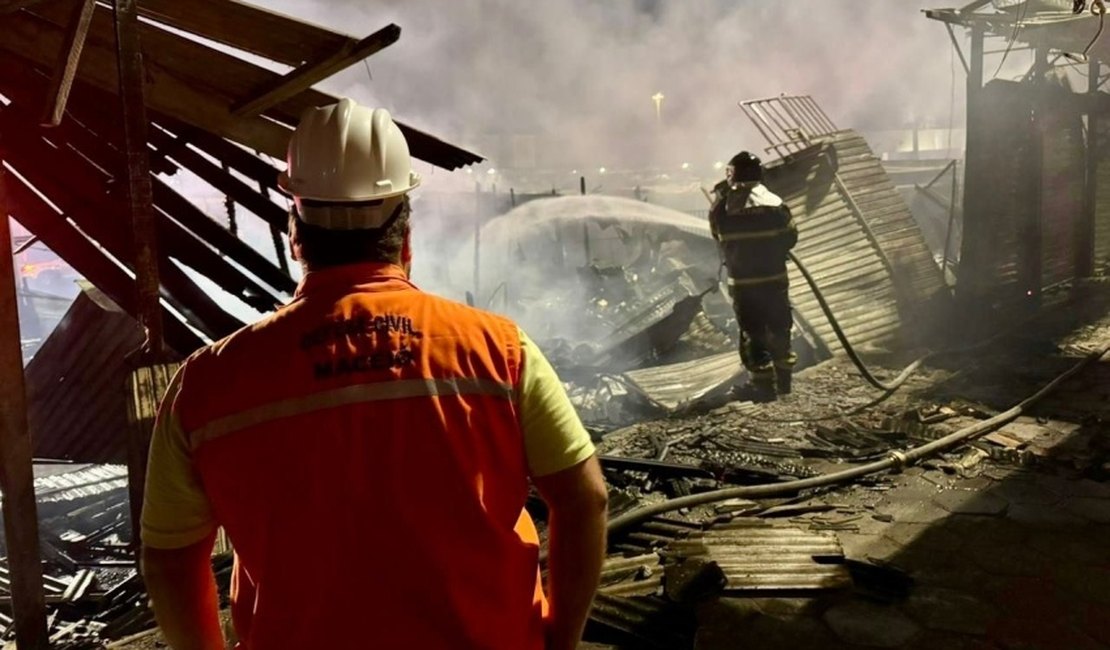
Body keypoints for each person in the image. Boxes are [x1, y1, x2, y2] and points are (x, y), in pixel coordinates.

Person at [140, 98, 608, 650]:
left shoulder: (206, 385)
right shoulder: (500, 351)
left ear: (296, 237)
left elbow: (168, 557)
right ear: (405, 236)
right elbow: (587, 499)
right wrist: (559, 640)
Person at [709, 151, 798, 402]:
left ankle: (762, 386)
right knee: (780, 327)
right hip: (775, 280)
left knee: (753, 333)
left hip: (744, 284)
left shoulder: (722, 211)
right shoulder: (776, 205)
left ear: (731, 175)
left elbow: (718, 238)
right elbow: (791, 237)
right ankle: (784, 383)